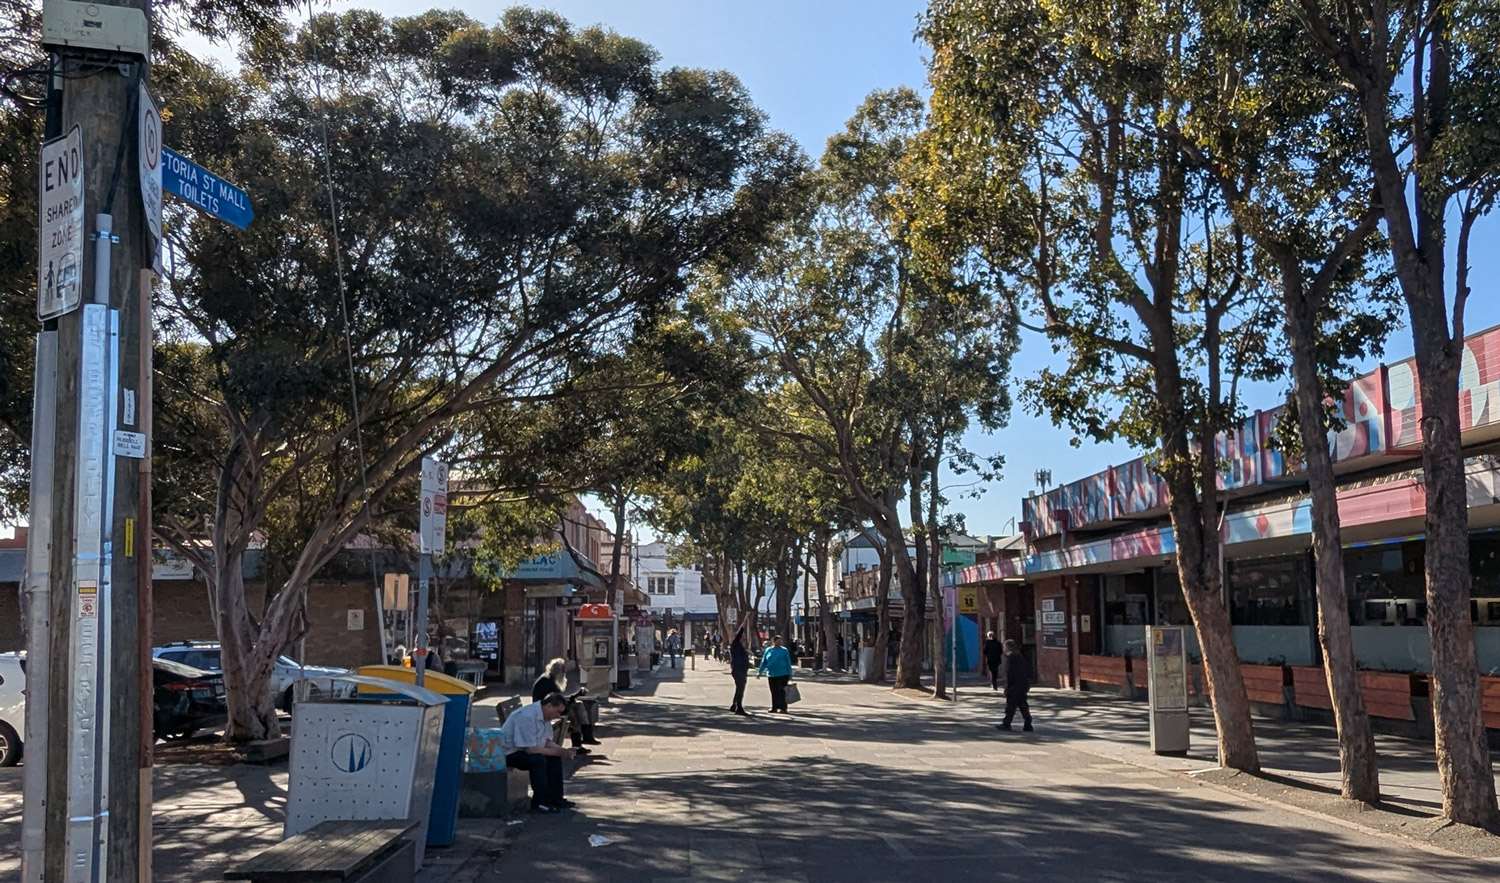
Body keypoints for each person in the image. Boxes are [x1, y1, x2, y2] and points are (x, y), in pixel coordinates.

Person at [499, 692, 577, 813]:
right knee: (538, 761)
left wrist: (562, 751)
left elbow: (545, 742)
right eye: (558, 712)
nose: (558, 716)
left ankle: (556, 798)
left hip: (523, 749)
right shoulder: (526, 717)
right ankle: (540, 802)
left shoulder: (544, 717)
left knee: (554, 758)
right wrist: (559, 752)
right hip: (509, 752)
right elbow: (531, 749)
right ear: (548, 706)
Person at [533, 658, 601, 753]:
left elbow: (558, 699)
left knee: (578, 705)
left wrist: (575, 696)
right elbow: (558, 701)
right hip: (544, 708)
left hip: (549, 706)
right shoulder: (548, 681)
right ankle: (582, 740)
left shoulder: (550, 678)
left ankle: (585, 737)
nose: (565, 674)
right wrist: (576, 695)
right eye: (563, 671)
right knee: (573, 713)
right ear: (559, 671)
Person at [998, 639, 1033, 732]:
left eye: (1004, 647)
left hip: (1014, 686)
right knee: (1022, 705)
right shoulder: (1020, 656)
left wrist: (1007, 688)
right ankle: (1028, 723)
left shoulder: (1011, 659)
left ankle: (1006, 724)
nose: (1003, 649)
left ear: (1008, 647)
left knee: (1010, 706)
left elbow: (1010, 674)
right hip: (1022, 684)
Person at [757, 634, 794, 713]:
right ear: (774, 642)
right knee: (774, 691)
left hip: (783, 674)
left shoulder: (784, 650)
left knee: (782, 691)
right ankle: (774, 707)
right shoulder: (768, 650)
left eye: (781, 641)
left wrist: (790, 674)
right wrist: (759, 672)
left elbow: (788, 662)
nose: (780, 643)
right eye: (778, 641)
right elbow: (764, 661)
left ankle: (783, 708)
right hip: (771, 674)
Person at [728, 631, 751, 716]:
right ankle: (739, 707)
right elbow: (738, 636)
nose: (744, 640)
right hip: (738, 670)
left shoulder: (740, 647)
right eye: (743, 638)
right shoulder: (735, 646)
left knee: (739, 688)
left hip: (742, 670)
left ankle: (734, 705)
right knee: (740, 689)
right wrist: (743, 628)